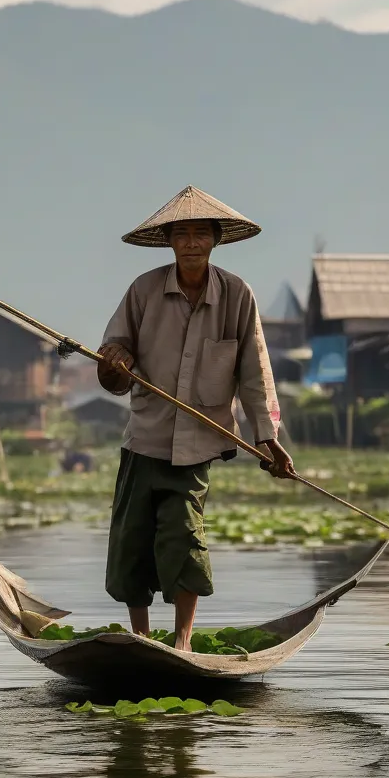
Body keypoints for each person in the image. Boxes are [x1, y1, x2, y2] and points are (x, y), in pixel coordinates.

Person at [97, 185, 295, 651]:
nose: (190, 243)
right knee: (133, 540)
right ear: (169, 240)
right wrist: (114, 361)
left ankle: (182, 642)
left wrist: (268, 438)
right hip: (144, 438)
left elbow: (255, 374)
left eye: (199, 234)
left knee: (184, 538)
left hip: (199, 444)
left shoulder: (237, 296)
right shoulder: (144, 290)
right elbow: (114, 354)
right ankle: (142, 638)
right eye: (181, 234)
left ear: (215, 240)